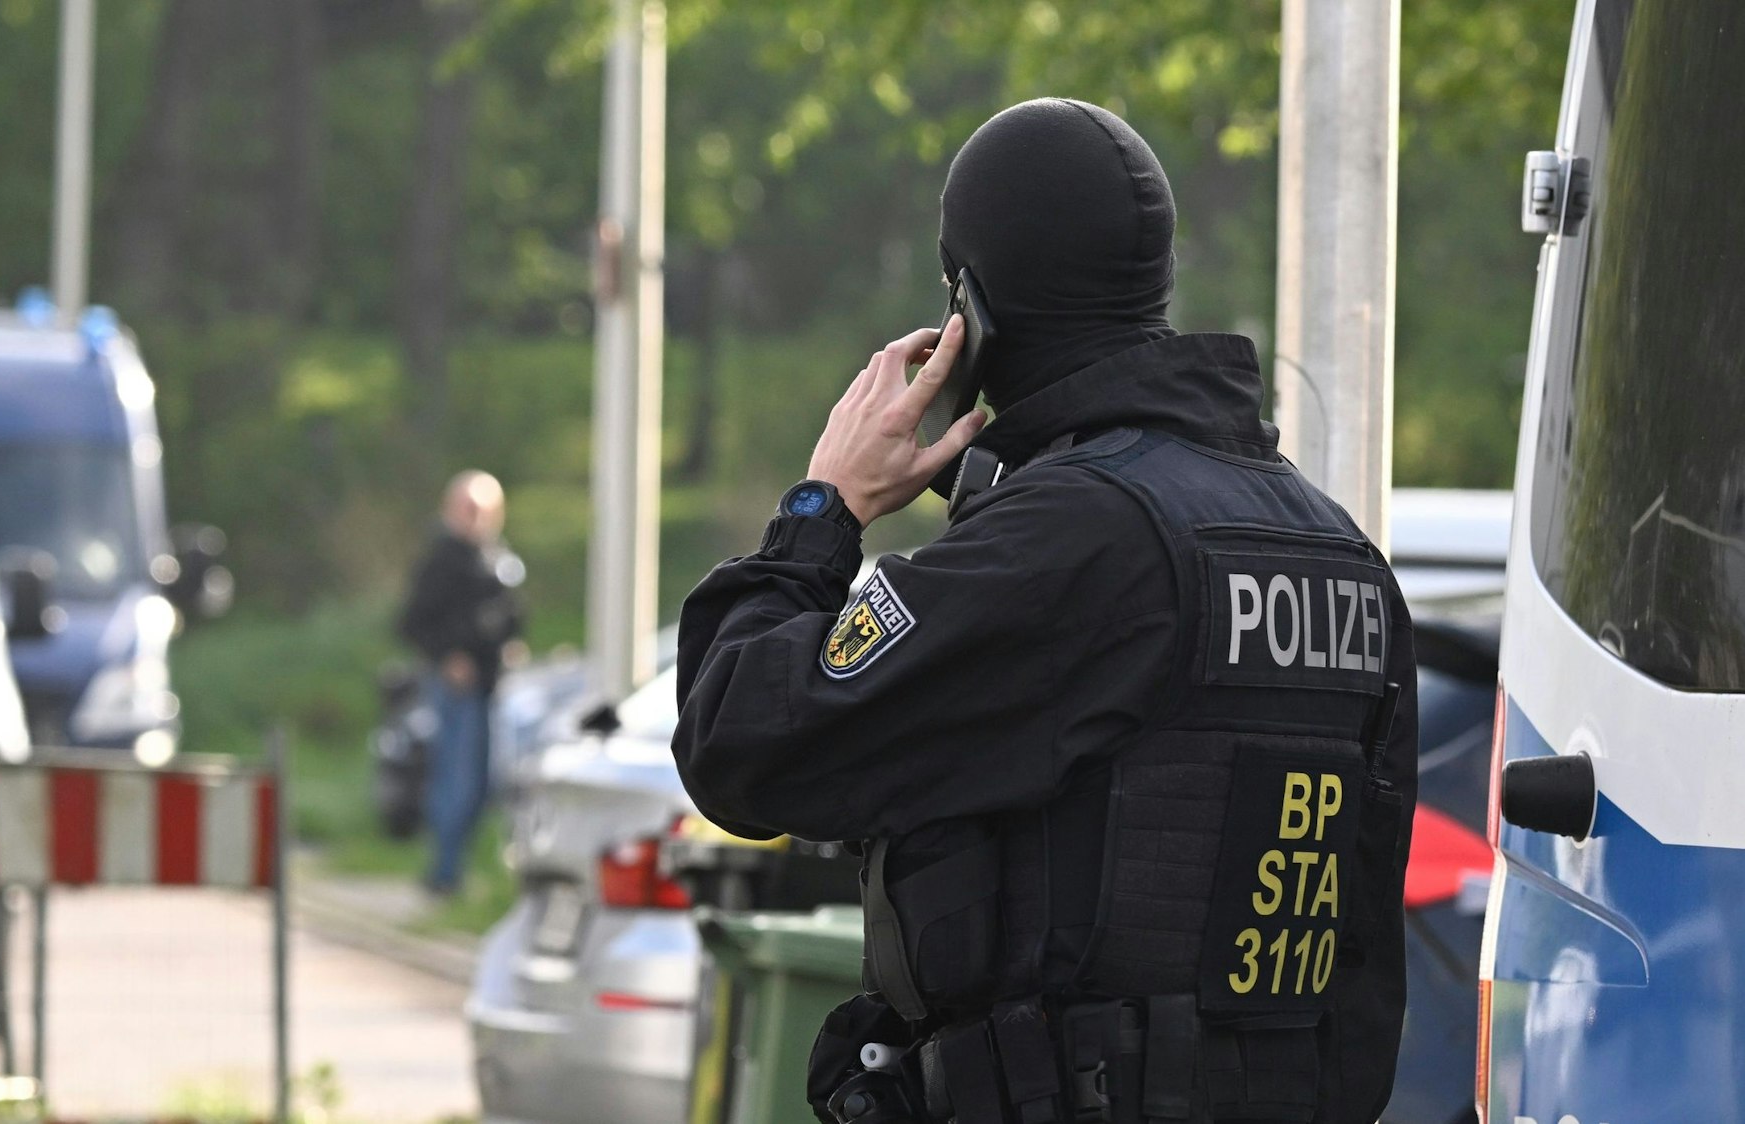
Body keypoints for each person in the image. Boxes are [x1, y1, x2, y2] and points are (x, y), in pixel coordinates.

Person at [671, 99, 1418, 1124]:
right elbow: (1364, 966)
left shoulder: (1074, 537)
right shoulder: (1340, 552)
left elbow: (740, 744)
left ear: (968, 307)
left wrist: (823, 510)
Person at [398, 469, 524, 896]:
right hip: (456, 689)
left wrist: (509, 646)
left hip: (492, 684)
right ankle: (444, 874)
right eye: (469, 509)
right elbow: (412, 623)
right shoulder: (441, 560)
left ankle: (459, 871)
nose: (477, 518)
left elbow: (506, 617)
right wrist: (448, 657)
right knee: (456, 781)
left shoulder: (498, 557)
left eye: (484, 510)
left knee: (485, 783)